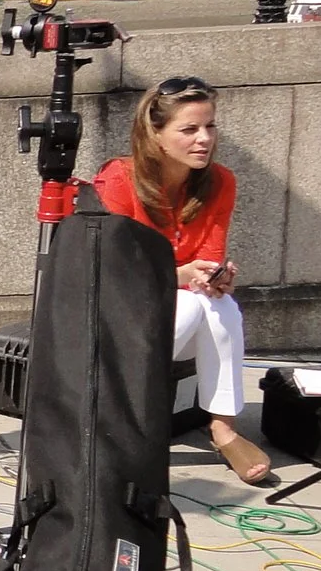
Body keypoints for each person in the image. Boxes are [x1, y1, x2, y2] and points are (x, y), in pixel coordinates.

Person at [92, 75, 274, 485]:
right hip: (116, 315)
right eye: (189, 129)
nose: (204, 139)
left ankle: (223, 428)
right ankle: (118, 423)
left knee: (220, 304)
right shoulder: (118, 179)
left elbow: (208, 256)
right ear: (155, 135)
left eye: (210, 126)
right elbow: (112, 270)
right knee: (192, 303)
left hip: (174, 318)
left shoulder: (220, 181)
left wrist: (216, 277)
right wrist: (178, 275)